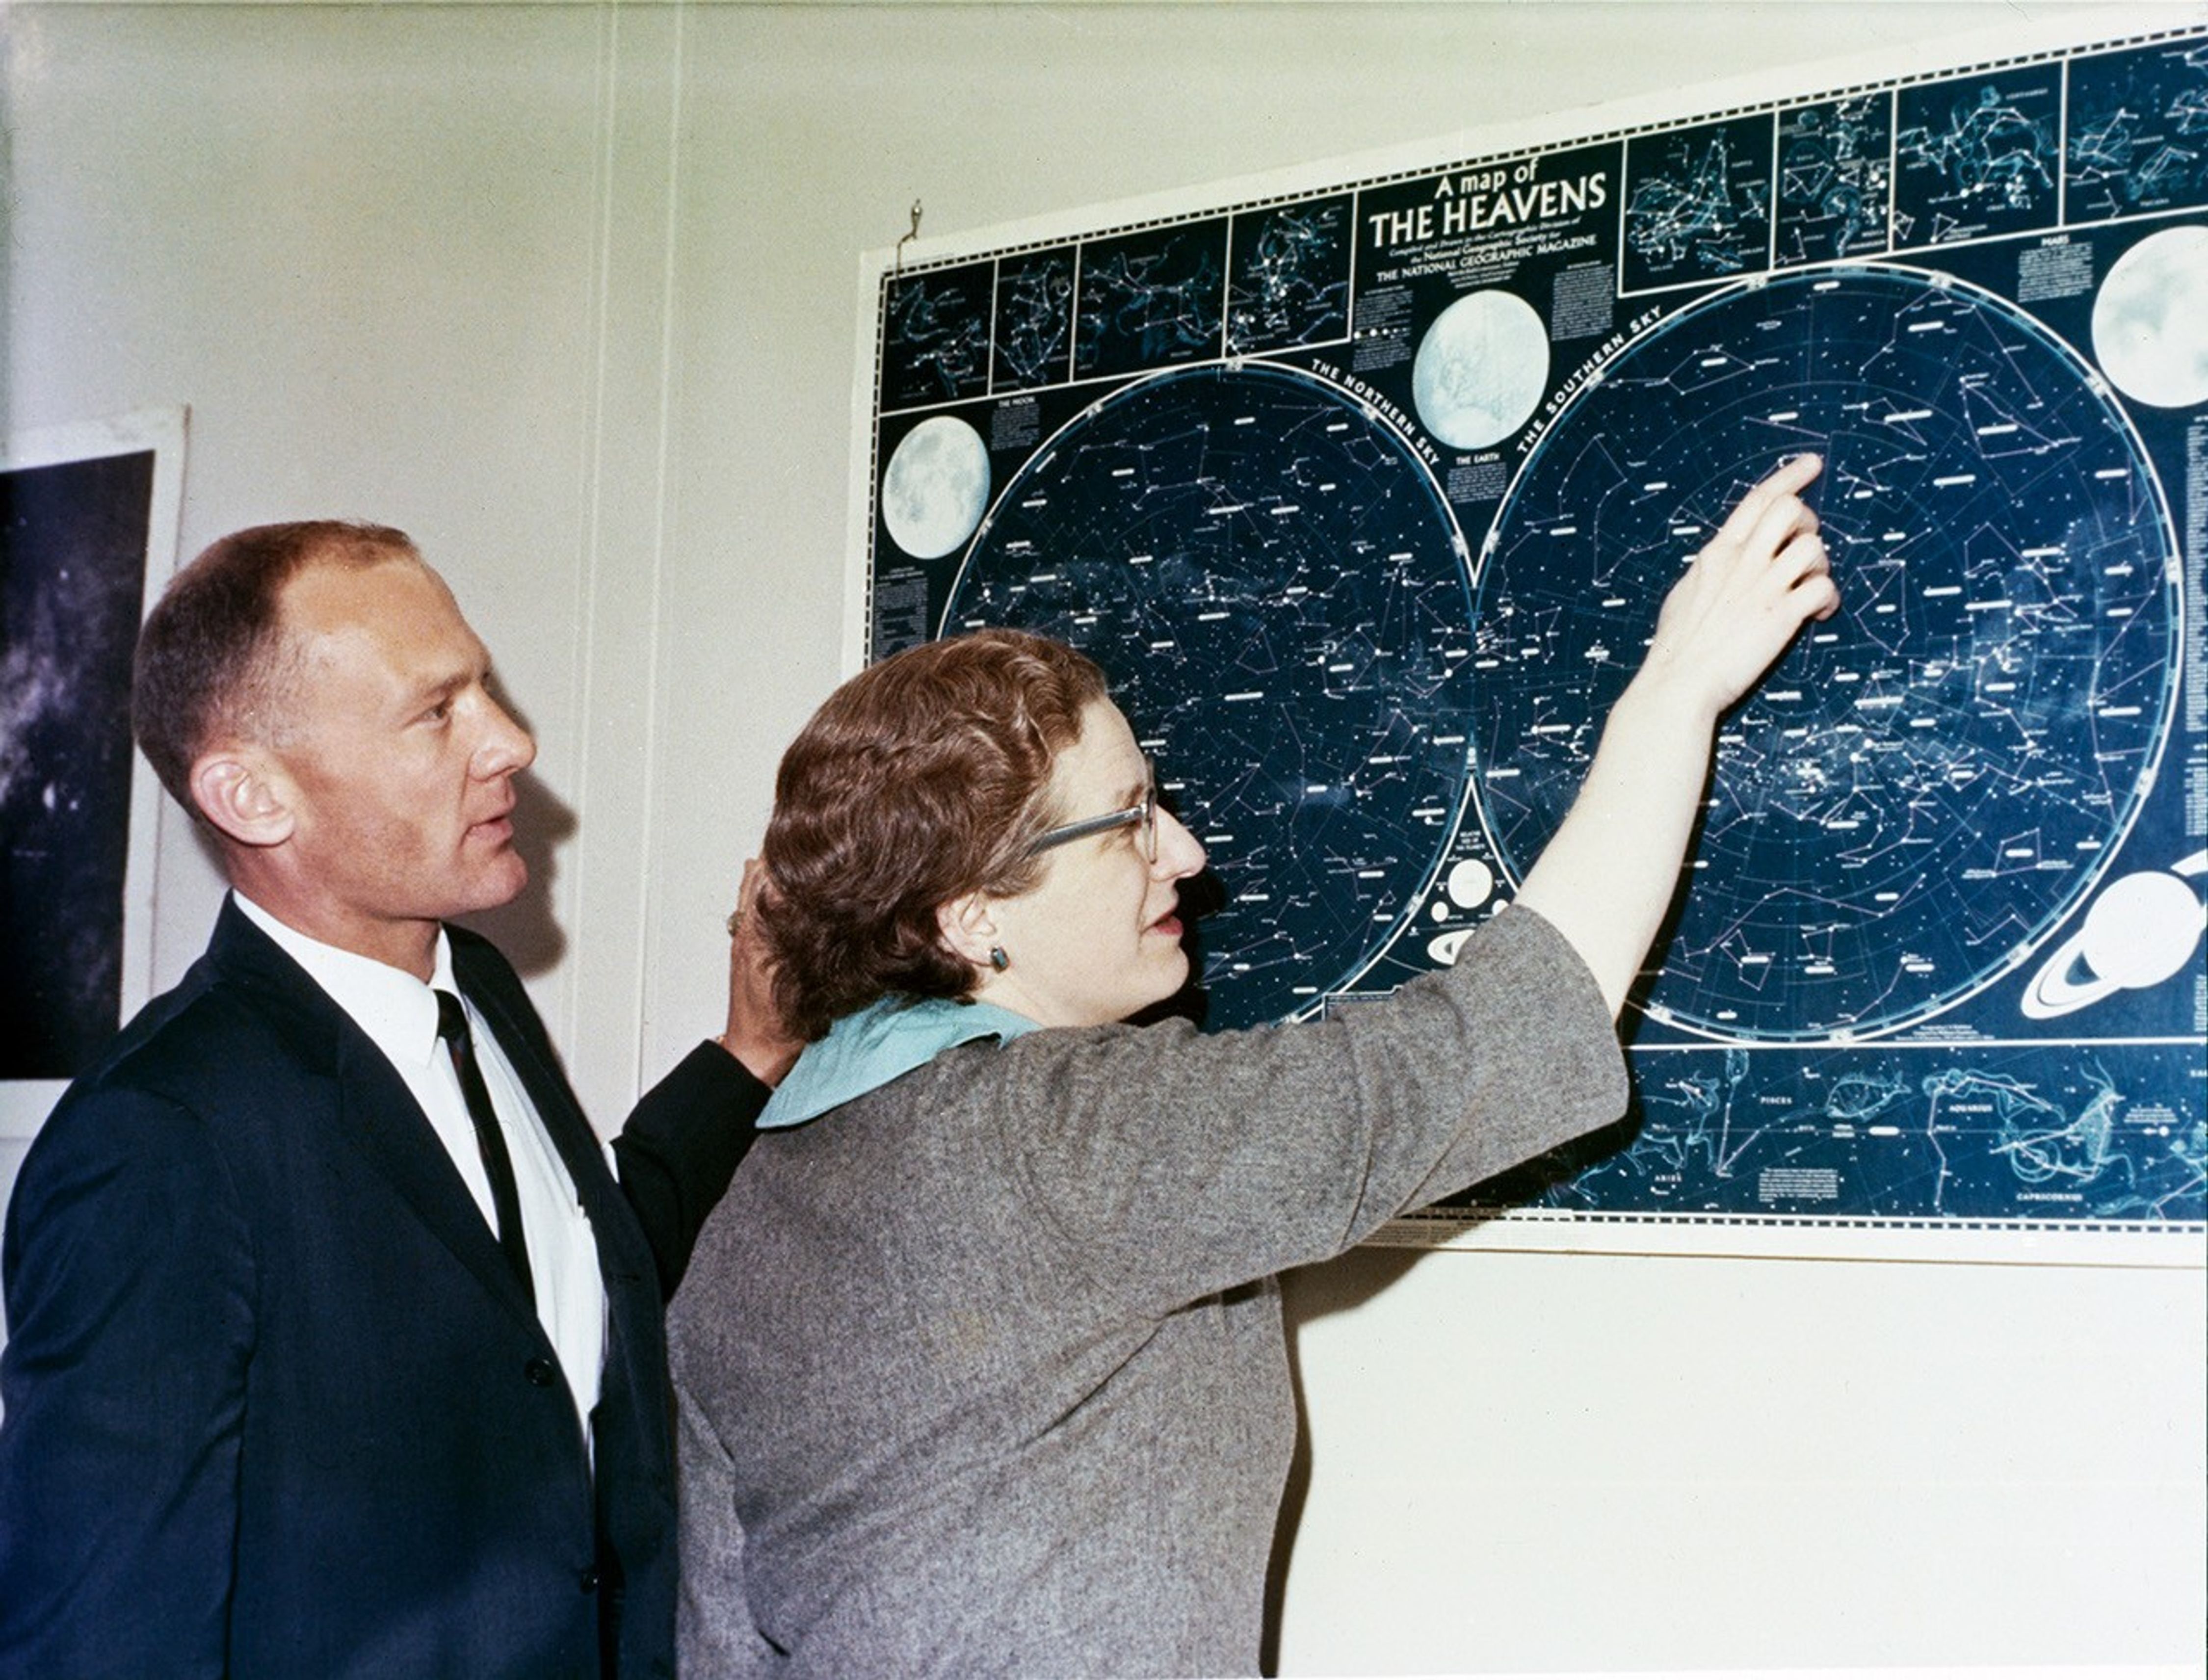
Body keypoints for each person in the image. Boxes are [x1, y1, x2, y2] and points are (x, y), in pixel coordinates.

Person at [668, 455, 1838, 1679]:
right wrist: (1678, 687)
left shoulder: (748, 1200)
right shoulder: (1061, 1136)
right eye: (1125, 819)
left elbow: (717, 1641)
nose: (1183, 846)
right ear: (970, 915)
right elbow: (1494, 1038)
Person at [0, 520, 800, 1679]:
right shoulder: (155, 1142)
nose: (513, 741)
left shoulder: (472, 985)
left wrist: (750, 1049)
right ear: (252, 794)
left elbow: (567, 1287)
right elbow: (98, 1647)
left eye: (488, 690)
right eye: (438, 712)